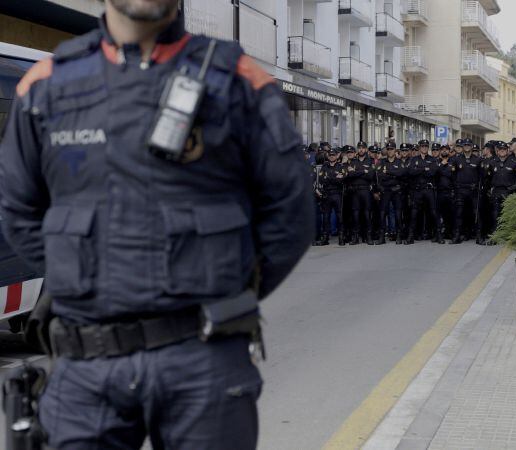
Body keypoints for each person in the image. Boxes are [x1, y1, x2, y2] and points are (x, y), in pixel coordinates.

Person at [0, 1, 314, 448]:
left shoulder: (240, 81)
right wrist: (85, 284)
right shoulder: (46, 85)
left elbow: (291, 212)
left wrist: (221, 288)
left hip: (204, 361)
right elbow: (19, 210)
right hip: (85, 367)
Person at [407, 139, 442, 244]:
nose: (424, 148)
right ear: (419, 147)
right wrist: (424, 169)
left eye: (426, 146)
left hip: (429, 189)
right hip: (417, 190)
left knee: (433, 212)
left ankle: (438, 235)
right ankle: (411, 236)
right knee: (414, 213)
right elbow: (411, 172)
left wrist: (419, 169)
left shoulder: (432, 159)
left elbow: (433, 172)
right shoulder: (414, 159)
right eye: (422, 146)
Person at [450, 138, 483, 244]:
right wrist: (457, 187)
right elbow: (453, 175)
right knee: (459, 214)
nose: (467, 146)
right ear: (462, 147)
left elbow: (481, 176)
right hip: (461, 190)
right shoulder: (457, 159)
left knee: (476, 213)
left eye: (469, 145)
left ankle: (479, 237)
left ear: (472, 146)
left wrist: (478, 187)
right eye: (465, 145)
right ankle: (457, 236)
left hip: (473, 191)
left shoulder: (477, 160)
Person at [487, 142, 516, 240]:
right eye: (500, 149)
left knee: (508, 214)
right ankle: (495, 235)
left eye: (504, 149)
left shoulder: (514, 163)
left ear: (507, 151)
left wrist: (515, 190)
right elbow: (488, 178)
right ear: (497, 151)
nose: (502, 151)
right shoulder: (492, 163)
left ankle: (508, 236)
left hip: (509, 192)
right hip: (496, 191)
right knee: (495, 214)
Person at [376, 142, 407, 244]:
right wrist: (394, 175)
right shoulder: (382, 162)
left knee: (398, 214)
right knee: (382, 213)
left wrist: (389, 173)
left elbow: (401, 173)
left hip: (396, 190)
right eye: (388, 149)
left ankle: (398, 235)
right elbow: (380, 176)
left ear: (395, 150)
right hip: (385, 191)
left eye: (392, 149)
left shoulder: (399, 162)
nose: (390, 151)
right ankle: (382, 236)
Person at [346, 141, 375, 245]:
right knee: (355, 215)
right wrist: (364, 171)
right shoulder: (353, 161)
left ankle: (368, 236)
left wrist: (357, 172)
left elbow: (371, 175)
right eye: (359, 148)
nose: (361, 149)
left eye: (363, 147)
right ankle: (355, 237)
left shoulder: (370, 161)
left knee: (367, 214)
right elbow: (350, 174)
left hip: (366, 190)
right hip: (355, 191)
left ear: (366, 149)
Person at [319, 147, 347, 245]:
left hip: (337, 194)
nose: (331, 157)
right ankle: (325, 238)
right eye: (330, 155)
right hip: (327, 194)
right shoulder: (324, 166)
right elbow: (321, 179)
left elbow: (342, 180)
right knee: (326, 217)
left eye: (333, 155)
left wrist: (329, 178)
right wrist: (335, 177)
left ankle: (341, 237)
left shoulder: (341, 166)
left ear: (337, 156)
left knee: (340, 217)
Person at [436, 144, 455, 240]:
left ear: (449, 151)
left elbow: (453, 176)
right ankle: (439, 234)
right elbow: (434, 173)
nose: (444, 151)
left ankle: (449, 233)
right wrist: (442, 165)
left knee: (450, 214)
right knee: (439, 213)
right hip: (439, 192)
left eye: (446, 150)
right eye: (442, 150)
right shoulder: (436, 162)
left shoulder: (453, 162)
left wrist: (442, 172)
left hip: (450, 191)